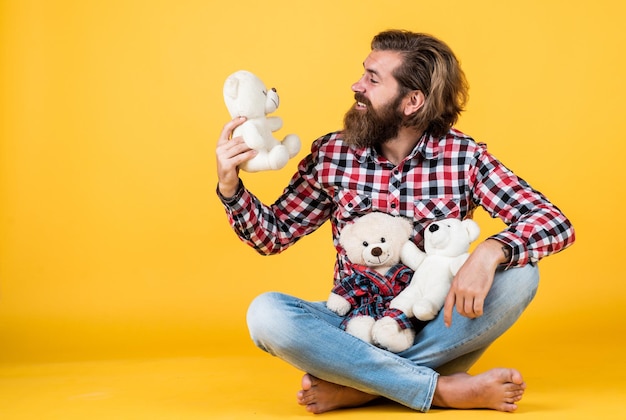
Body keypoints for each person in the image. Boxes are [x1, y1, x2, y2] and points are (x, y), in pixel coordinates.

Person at [215, 30, 575, 414]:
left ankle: (364, 385)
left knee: (523, 274)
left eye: (372, 79)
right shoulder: (333, 154)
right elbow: (274, 235)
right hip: (354, 324)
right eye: (363, 74)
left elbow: (553, 221)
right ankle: (437, 390)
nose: (357, 86)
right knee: (267, 315)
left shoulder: (463, 157)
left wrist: (490, 252)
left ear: (412, 101)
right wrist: (230, 184)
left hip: (432, 322)